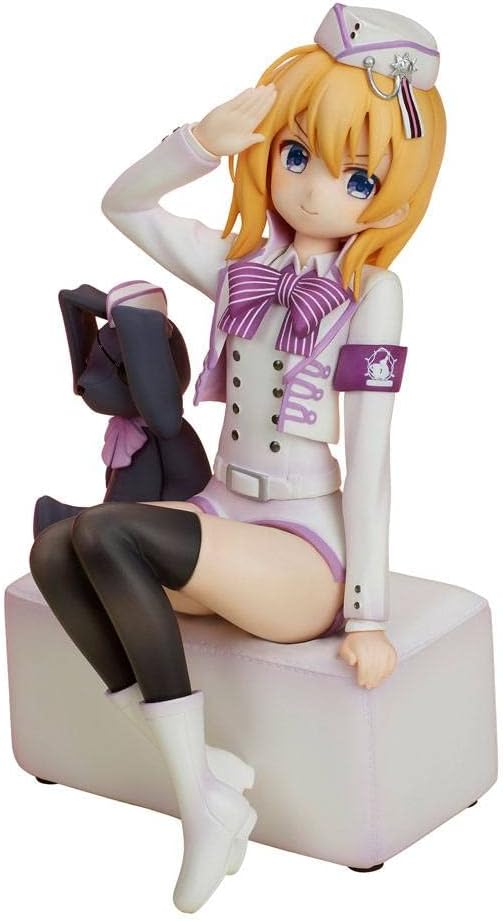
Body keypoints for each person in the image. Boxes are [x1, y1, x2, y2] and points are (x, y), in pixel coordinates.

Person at [29, 4, 446, 912]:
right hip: (223, 510)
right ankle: (203, 783)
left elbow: (372, 460)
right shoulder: (237, 266)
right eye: (297, 154)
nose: (314, 189)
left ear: (391, 193)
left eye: (355, 175)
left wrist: (367, 615)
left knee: (108, 536)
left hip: (302, 552)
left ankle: (202, 805)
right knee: (58, 548)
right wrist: (198, 144)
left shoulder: (371, 294)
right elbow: (123, 205)